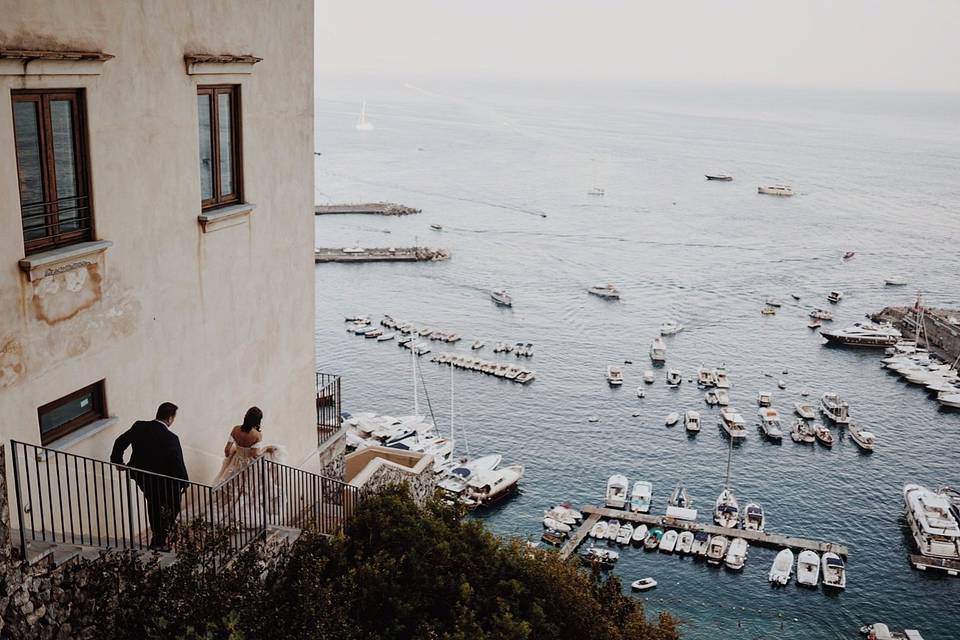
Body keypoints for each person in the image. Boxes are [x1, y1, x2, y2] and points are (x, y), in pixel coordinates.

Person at [110, 402, 188, 551]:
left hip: (143, 477)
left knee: (154, 504)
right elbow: (177, 461)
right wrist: (184, 482)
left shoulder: (140, 426)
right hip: (165, 481)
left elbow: (120, 441)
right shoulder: (171, 438)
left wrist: (117, 461)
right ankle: (161, 538)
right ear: (170, 418)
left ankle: (158, 539)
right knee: (172, 506)